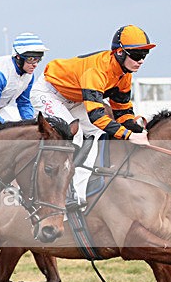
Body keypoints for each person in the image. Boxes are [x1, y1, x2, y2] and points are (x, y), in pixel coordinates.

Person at [31, 24, 154, 206]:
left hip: (75, 99)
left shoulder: (124, 74)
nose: (141, 60)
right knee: (77, 134)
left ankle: (79, 194)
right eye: (136, 55)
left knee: (96, 134)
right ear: (119, 53)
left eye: (144, 55)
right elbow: (97, 117)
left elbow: (122, 112)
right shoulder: (97, 71)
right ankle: (64, 191)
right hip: (49, 93)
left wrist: (136, 129)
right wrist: (129, 136)